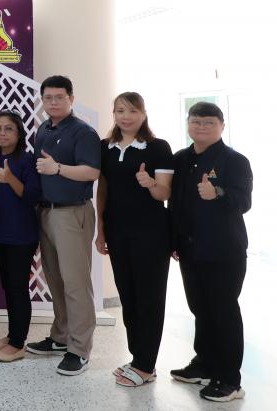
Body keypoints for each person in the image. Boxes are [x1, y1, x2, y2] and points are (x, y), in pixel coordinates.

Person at [169, 102, 252, 403]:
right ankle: (203, 364)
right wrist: (174, 240)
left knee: (223, 312)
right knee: (200, 309)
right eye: (196, 121)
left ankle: (230, 381)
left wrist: (217, 193)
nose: (201, 127)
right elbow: (175, 202)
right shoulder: (181, 159)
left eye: (208, 122)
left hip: (223, 250)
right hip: (190, 249)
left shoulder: (235, 161)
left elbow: (244, 201)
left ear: (221, 126)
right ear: (188, 124)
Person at [93, 93, 174, 387]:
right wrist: (101, 228)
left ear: (143, 113)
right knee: (128, 296)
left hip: (151, 233)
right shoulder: (106, 147)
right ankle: (137, 357)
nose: (125, 117)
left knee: (149, 298)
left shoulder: (158, 147)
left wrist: (150, 183)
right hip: (117, 230)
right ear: (113, 114)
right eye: (120, 111)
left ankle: (145, 365)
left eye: (132, 111)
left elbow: (165, 192)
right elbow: (103, 188)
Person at [26, 76, 101, 376]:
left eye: (60, 97)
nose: (53, 102)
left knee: (75, 283)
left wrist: (57, 168)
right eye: (48, 98)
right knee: (55, 280)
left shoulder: (83, 132)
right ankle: (60, 337)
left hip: (72, 213)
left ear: (71, 98)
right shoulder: (44, 129)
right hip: (46, 212)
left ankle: (80, 349)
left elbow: (91, 172)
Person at [0, 111, 40, 362]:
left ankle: (18, 343)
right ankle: (11, 335)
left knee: (18, 288)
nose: (2, 133)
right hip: (0, 234)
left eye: (9, 129)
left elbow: (32, 196)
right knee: (8, 287)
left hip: (22, 235)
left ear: (19, 133)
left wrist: (9, 179)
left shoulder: (26, 160)